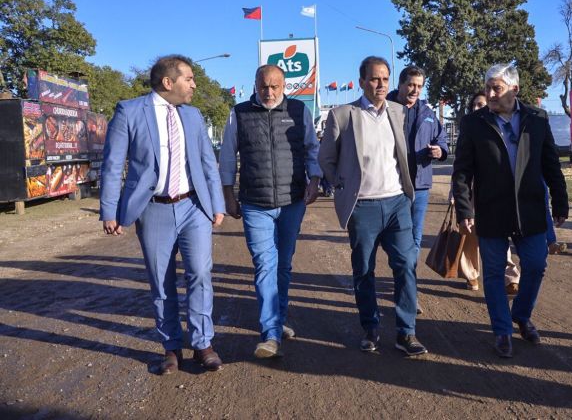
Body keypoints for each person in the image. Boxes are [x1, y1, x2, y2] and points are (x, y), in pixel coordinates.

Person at [100, 54, 226, 375]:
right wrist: (109, 210)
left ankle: (202, 343)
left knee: (200, 273)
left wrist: (216, 204)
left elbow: (207, 163)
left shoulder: (194, 116)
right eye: (189, 78)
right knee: (161, 281)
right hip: (153, 209)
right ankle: (171, 347)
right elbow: (113, 164)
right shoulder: (129, 111)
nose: (194, 84)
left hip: (193, 206)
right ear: (168, 82)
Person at [452, 64, 568, 359]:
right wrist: (465, 207)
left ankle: (522, 314)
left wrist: (560, 199)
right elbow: (462, 171)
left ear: (514, 90)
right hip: (491, 210)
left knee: (536, 264)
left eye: (497, 88)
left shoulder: (536, 118)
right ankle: (502, 331)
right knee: (492, 273)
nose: (490, 94)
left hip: (530, 208)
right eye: (488, 87)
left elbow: (550, 163)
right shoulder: (473, 123)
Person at [318, 56, 427, 356]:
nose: (381, 85)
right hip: (363, 207)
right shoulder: (342, 114)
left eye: (385, 79)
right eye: (375, 79)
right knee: (364, 269)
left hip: (396, 203)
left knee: (406, 264)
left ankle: (406, 333)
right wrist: (340, 184)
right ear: (363, 81)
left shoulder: (398, 111)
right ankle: (371, 327)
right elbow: (326, 157)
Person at [219, 65, 322, 358]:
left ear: (284, 85)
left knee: (284, 265)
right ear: (254, 84)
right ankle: (270, 335)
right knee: (265, 265)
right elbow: (227, 155)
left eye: (275, 86)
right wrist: (228, 194)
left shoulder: (300, 111)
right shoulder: (238, 114)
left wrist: (314, 180)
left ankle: (278, 319)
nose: (269, 92)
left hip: (292, 201)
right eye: (264, 86)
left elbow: (313, 150)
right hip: (255, 204)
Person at [456, 90, 521, 293]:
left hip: (492, 192)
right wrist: (457, 197)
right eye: (474, 105)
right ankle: (471, 274)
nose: (477, 108)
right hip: (470, 192)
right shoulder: (469, 126)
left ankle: (510, 276)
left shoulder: (497, 128)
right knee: (470, 235)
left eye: (481, 104)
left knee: (499, 235)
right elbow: (460, 168)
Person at [387, 65, 448, 263]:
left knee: (415, 232)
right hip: (392, 184)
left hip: (420, 184)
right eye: (411, 85)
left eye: (419, 86)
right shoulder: (384, 107)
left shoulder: (428, 113)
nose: (415, 90)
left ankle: (408, 274)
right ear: (400, 84)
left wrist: (440, 150)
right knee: (391, 233)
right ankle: (402, 268)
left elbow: (441, 138)